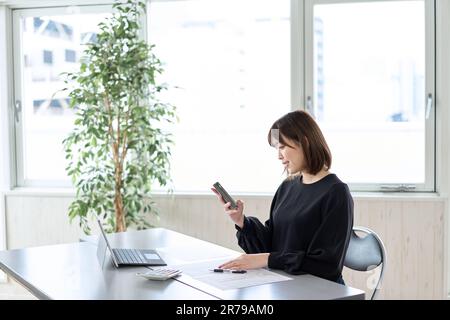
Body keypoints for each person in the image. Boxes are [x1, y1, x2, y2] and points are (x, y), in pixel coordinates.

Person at [211, 110, 353, 284]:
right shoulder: (287, 186)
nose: (279, 156)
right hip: (286, 284)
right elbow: (271, 245)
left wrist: (267, 259)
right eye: (276, 148)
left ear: (305, 142)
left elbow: (326, 265)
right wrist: (241, 221)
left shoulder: (336, 193)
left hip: (321, 289)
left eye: (282, 147)